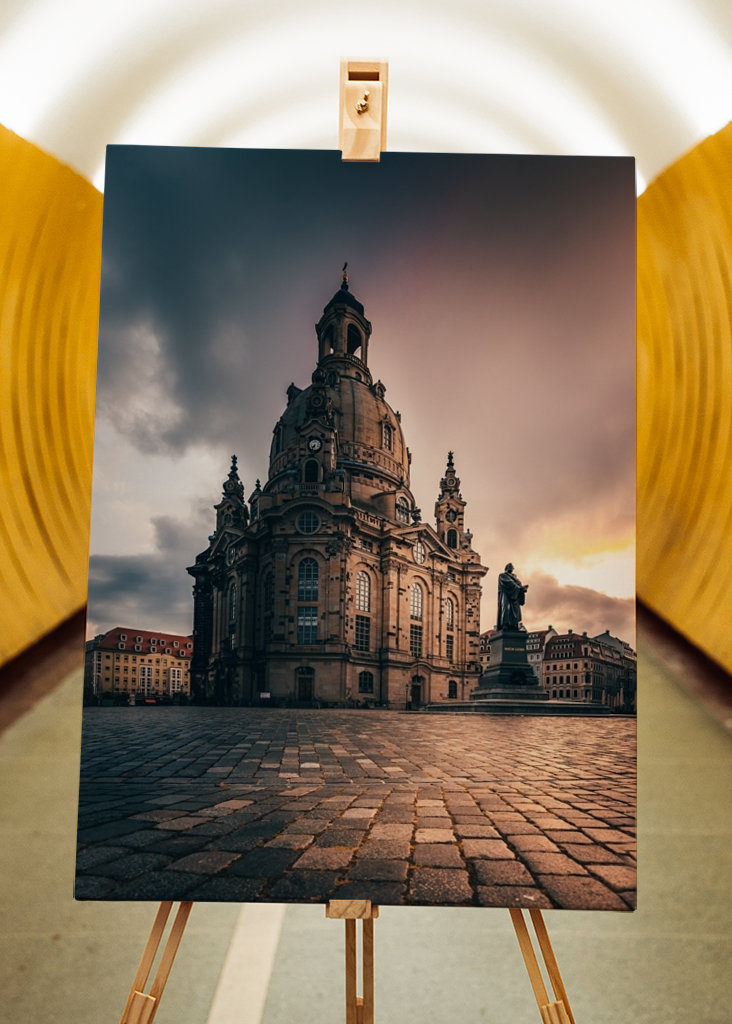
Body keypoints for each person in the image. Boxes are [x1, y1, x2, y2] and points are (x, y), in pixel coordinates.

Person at [497, 563, 528, 630]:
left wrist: (522, 589)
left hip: (515, 595)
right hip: (506, 594)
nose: (511, 568)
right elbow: (508, 582)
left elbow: (519, 584)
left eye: (512, 567)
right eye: (509, 566)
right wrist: (519, 588)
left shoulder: (515, 577)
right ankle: (505, 624)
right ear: (506, 568)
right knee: (506, 608)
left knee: (515, 610)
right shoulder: (502, 575)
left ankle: (514, 624)